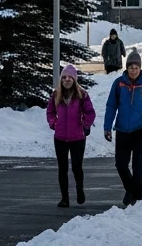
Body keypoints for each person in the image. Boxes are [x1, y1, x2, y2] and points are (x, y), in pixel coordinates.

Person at [103, 49, 142, 206]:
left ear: (140, 68)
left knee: (137, 167)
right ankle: (131, 191)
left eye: (136, 67)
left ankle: (138, 200)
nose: (133, 70)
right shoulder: (119, 84)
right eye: (131, 67)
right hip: (122, 130)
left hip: (140, 131)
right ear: (127, 68)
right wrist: (107, 127)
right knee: (121, 165)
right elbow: (111, 106)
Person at [45, 64, 96, 207]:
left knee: (76, 167)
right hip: (60, 138)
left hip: (77, 138)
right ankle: (65, 198)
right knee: (62, 168)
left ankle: (80, 190)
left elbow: (90, 113)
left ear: (74, 79)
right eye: (64, 77)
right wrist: (53, 123)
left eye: (70, 78)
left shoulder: (82, 95)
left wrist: (85, 125)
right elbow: (50, 112)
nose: (66, 80)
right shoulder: (56, 95)